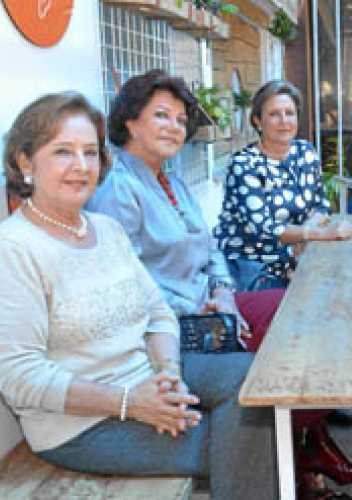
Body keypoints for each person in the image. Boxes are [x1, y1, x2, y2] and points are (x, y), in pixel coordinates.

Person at [87, 72, 352, 497]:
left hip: (215, 301)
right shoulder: (118, 189)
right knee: (298, 339)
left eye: (181, 120)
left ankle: (302, 447)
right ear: (130, 122)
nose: (174, 127)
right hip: (171, 327)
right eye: (161, 116)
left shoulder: (172, 181)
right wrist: (197, 305)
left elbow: (211, 248)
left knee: (326, 319)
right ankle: (297, 456)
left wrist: (222, 291)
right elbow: (124, 278)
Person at [0, 92, 278, 498]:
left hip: (146, 377)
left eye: (90, 153)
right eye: (63, 152)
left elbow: (159, 312)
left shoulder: (104, 229)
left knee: (255, 380)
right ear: (26, 163)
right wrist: (131, 403)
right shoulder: (15, 247)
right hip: (80, 422)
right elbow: (18, 375)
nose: (81, 167)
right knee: (245, 442)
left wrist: (169, 373)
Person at [214, 79, 352, 292]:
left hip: (296, 259)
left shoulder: (305, 152)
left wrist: (305, 235)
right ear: (258, 121)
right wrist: (314, 234)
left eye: (290, 113)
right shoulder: (244, 164)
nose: (284, 121)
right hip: (253, 268)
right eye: (274, 114)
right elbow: (263, 227)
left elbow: (320, 205)